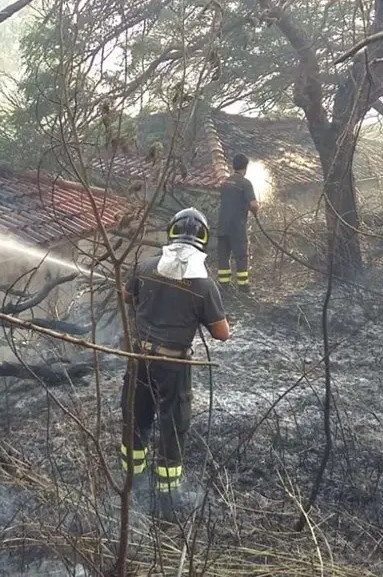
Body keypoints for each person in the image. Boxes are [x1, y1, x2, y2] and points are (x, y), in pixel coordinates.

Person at [120, 207, 231, 521]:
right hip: (173, 365)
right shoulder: (204, 285)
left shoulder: (143, 266)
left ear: (170, 232)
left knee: (135, 414)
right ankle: (169, 497)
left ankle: (131, 482)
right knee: (172, 425)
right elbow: (222, 334)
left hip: (139, 358)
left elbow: (127, 297)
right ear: (203, 240)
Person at [217, 153, 259, 293]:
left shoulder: (225, 183)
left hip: (222, 227)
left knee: (224, 257)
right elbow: (254, 204)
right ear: (245, 167)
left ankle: (224, 286)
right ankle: (243, 287)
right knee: (241, 257)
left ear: (233, 165)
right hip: (237, 228)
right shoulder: (245, 183)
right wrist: (254, 211)